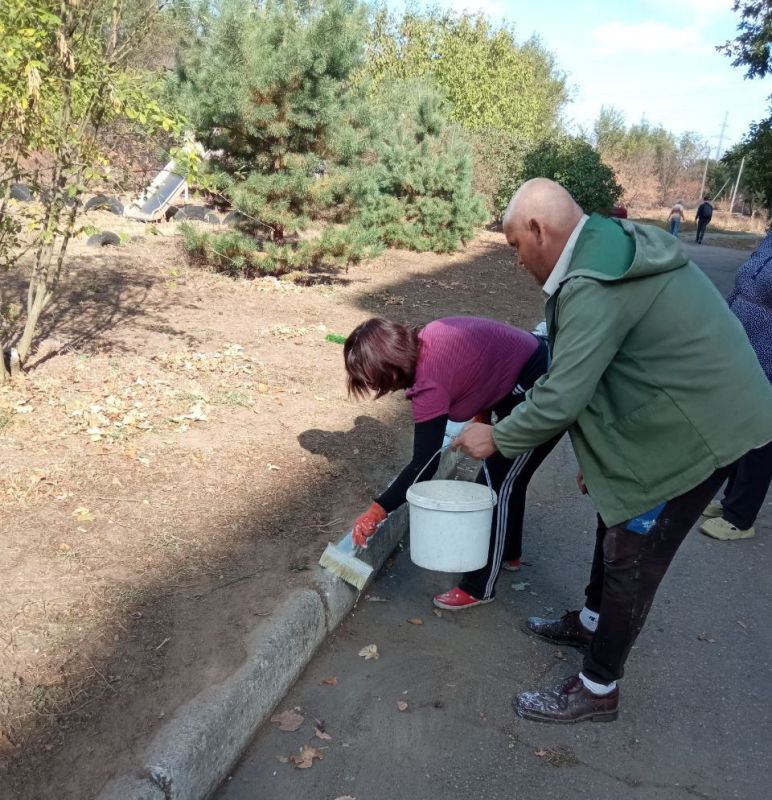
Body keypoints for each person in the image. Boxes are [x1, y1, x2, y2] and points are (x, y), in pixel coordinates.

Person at [452, 178, 772, 724]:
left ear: (539, 230)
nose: (516, 260)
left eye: (515, 246)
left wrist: (497, 437)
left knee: (632, 554)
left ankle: (598, 687)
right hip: (678, 410)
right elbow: (603, 370)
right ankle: (592, 623)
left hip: (706, 427)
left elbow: (563, 394)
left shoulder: (594, 281)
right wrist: (605, 460)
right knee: (614, 511)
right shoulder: (603, 248)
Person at [344, 316, 562, 610]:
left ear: (390, 369)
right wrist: (484, 414)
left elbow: (424, 465)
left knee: (495, 487)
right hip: (532, 368)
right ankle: (509, 552)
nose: (373, 387)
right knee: (511, 476)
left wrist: (377, 510)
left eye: (372, 379)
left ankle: (479, 587)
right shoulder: (430, 336)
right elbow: (483, 363)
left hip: (542, 390)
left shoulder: (428, 384)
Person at [701, 232, 772, 541]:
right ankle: (731, 499)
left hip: (769, 354)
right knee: (741, 425)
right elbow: (747, 283)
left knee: (763, 435)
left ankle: (740, 518)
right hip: (745, 346)